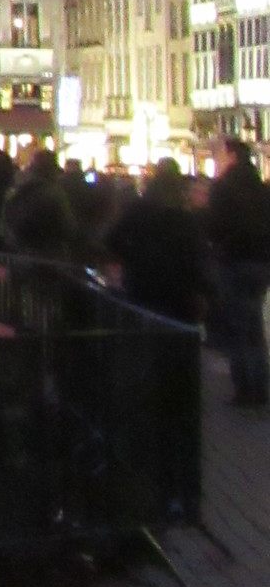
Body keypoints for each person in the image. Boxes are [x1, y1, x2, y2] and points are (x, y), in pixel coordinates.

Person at [206, 138, 270, 408]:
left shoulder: (222, 188)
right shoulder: (262, 188)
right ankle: (261, 385)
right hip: (260, 263)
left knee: (237, 327)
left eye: (219, 154)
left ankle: (245, 388)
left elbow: (214, 228)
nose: (217, 159)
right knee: (254, 325)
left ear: (231, 156)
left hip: (233, 261)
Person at [104, 159, 207, 326]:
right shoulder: (184, 215)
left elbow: (113, 240)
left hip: (142, 282)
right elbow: (196, 253)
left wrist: (131, 257)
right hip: (179, 288)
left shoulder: (138, 210)